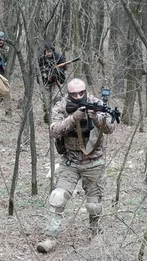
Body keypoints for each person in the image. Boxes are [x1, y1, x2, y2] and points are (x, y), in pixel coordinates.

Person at [40, 78, 118, 244]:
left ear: (86, 90)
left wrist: (96, 118)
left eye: (81, 92)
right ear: (68, 93)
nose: (78, 96)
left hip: (93, 162)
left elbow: (110, 128)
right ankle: (50, 237)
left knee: (94, 205)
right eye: (74, 93)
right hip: (70, 162)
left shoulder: (96, 103)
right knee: (57, 197)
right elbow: (54, 131)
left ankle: (96, 235)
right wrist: (73, 118)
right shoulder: (61, 106)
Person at [38, 42, 67, 123]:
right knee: (45, 101)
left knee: (57, 99)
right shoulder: (40, 59)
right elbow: (37, 71)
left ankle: (54, 117)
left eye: (50, 51)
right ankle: (47, 115)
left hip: (55, 83)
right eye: (47, 51)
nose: (49, 53)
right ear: (44, 51)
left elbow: (64, 69)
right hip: (45, 83)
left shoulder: (58, 57)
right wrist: (45, 74)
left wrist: (56, 72)